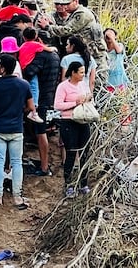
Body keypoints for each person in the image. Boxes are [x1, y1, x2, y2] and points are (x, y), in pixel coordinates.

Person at [0, 54, 36, 209]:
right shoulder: (24, 85)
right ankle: (17, 198)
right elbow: (31, 107)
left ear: (3, 68)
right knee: (16, 163)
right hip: (16, 128)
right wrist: (20, 112)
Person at [38, 0, 108, 80]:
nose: (64, 7)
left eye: (67, 4)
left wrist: (48, 27)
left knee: (97, 80)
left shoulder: (82, 14)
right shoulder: (74, 14)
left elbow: (67, 30)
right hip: (87, 54)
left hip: (95, 54)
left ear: (76, 1)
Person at [54, 61, 93, 197]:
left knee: (84, 153)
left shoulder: (83, 85)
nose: (83, 75)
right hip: (69, 122)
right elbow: (58, 105)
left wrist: (87, 99)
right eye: (81, 72)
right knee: (71, 153)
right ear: (73, 73)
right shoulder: (63, 87)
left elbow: (89, 97)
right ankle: (69, 185)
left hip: (83, 121)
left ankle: (84, 184)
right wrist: (74, 103)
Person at [23, 38, 60, 176]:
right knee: (40, 129)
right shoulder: (55, 55)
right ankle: (44, 165)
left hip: (40, 99)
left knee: (40, 131)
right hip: (49, 96)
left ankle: (44, 167)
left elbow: (30, 72)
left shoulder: (41, 56)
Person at [19, 27, 57, 123]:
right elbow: (47, 49)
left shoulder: (22, 45)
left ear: (23, 37)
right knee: (34, 87)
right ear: (36, 36)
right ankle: (34, 108)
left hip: (22, 68)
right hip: (30, 70)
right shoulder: (36, 45)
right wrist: (53, 48)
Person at [104, 28, 129, 92]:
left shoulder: (119, 45)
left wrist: (112, 38)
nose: (109, 35)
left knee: (121, 100)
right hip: (108, 82)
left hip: (120, 81)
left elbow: (118, 51)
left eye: (112, 34)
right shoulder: (103, 50)